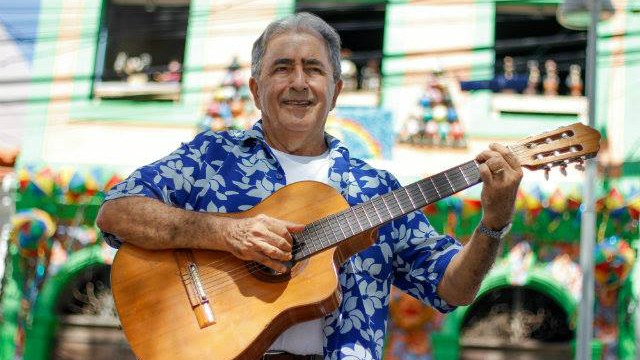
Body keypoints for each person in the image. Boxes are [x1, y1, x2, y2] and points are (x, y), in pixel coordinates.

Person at [96, 12, 522, 360]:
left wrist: (495, 220)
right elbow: (116, 213)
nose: (298, 81)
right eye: (282, 68)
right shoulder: (213, 156)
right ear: (255, 88)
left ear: (334, 91)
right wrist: (226, 233)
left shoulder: (375, 189)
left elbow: (454, 287)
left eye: (313, 70)